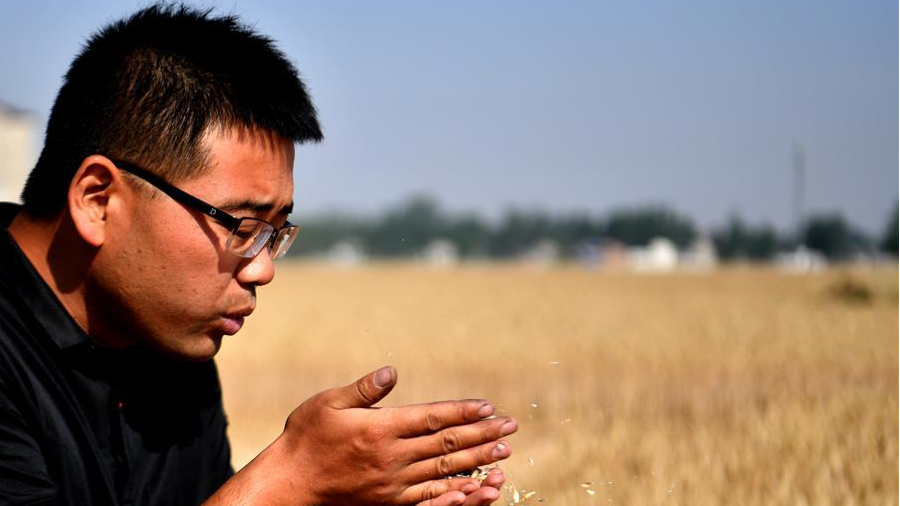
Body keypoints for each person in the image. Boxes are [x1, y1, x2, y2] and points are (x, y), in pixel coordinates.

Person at [0, 4, 517, 505]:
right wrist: (292, 479)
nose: (263, 269)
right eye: (241, 226)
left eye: (275, 233)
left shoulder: (170, 351)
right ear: (98, 201)